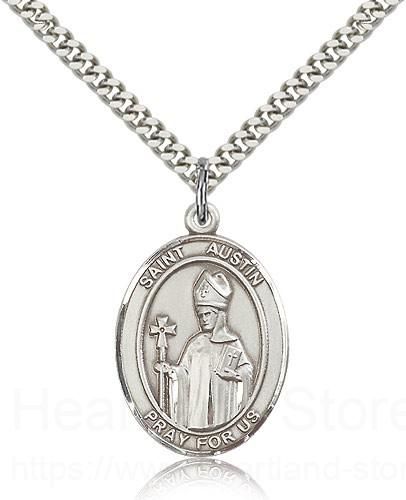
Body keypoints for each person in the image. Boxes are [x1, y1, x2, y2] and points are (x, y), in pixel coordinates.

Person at [166, 269, 253, 429]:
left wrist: (235, 375)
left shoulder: (232, 343)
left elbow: (247, 370)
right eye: (201, 315)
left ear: (219, 315)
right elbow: (184, 371)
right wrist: (172, 372)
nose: (204, 319)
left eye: (208, 314)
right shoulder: (196, 344)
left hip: (223, 412)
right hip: (198, 414)